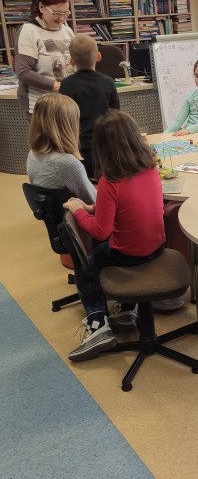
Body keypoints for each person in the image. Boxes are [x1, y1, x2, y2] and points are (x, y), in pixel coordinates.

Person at [63, 109, 166, 362]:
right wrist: (93, 208)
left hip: (129, 253)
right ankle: (127, 310)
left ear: (102, 147)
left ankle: (98, 326)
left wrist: (78, 210)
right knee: (108, 248)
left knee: (86, 269)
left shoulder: (110, 181)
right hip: (158, 247)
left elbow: (101, 231)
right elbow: (129, 205)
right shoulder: (150, 167)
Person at [59, 35, 120, 178]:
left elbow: (63, 118)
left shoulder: (66, 84)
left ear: (71, 61)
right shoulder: (108, 82)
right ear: (98, 56)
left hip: (76, 149)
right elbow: (116, 116)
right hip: (104, 148)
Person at [15, 0, 75, 118]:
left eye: (65, 13)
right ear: (42, 7)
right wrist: (59, 86)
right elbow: (23, 72)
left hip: (67, 103)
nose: (62, 19)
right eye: (56, 13)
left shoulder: (67, 30)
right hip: (41, 105)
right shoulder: (29, 31)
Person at [27, 92, 96, 204]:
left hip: (56, 212)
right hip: (74, 213)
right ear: (67, 126)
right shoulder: (67, 164)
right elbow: (93, 201)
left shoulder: (32, 154)